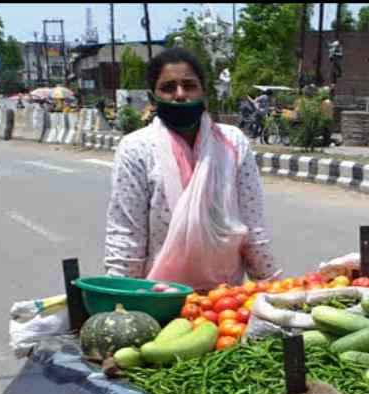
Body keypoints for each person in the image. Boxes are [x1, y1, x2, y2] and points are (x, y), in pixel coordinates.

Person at [103, 48, 281, 291]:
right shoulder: (136, 149)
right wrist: (120, 299)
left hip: (224, 300)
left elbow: (253, 225)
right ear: (152, 96)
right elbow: (126, 237)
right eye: (168, 87)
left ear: (203, 91)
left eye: (189, 85)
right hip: (160, 297)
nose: (180, 94)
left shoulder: (232, 143)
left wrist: (275, 288)